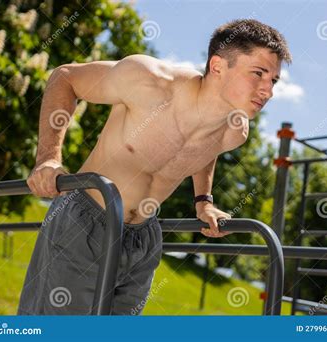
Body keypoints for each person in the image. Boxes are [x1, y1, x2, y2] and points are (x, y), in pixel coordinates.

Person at [18, 18, 292, 315]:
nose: (268, 91)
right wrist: (48, 159)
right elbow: (65, 77)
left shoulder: (234, 131)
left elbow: (205, 149)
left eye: (273, 80)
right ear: (217, 66)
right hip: (86, 221)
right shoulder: (149, 80)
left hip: (143, 240)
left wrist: (204, 202)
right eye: (258, 74)